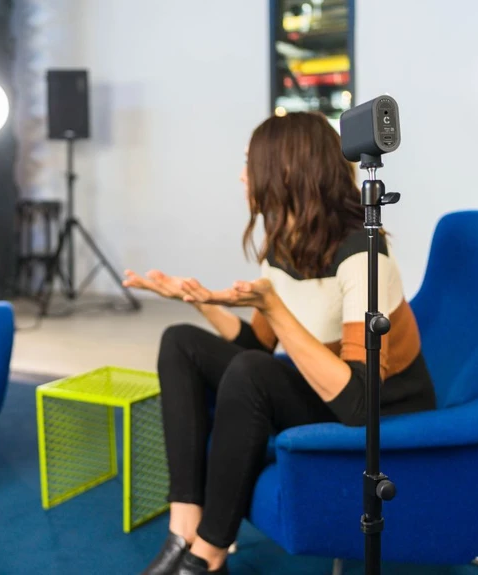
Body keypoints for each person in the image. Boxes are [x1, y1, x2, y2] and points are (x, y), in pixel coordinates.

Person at [124, 112, 436, 575]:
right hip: (326, 388)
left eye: (250, 162)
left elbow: (358, 403)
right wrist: (199, 301)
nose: (242, 175)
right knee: (181, 342)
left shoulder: (363, 255)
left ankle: (208, 555)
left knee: (251, 373)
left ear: (287, 171)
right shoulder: (284, 244)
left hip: (381, 410)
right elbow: (257, 343)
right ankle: (183, 527)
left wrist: (273, 307)